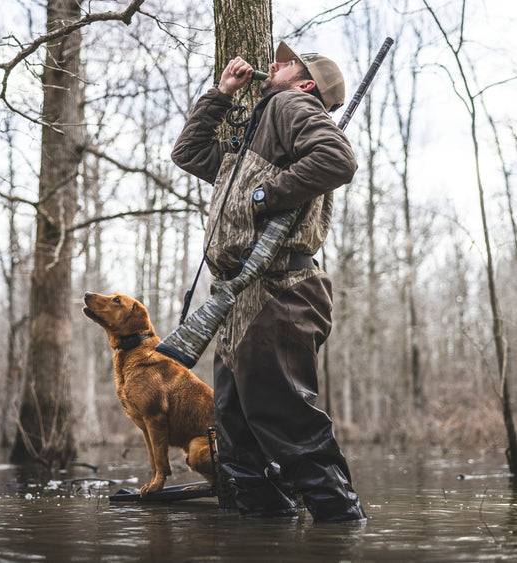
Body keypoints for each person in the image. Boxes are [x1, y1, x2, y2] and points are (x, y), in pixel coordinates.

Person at [170, 41, 366, 522]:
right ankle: (263, 535)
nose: (272, 64)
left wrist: (263, 195)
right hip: (242, 297)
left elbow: (338, 160)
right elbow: (189, 152)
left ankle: (344, 531)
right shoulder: (259, 134)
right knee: (235, 436)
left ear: (305, 84)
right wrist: (220, 94)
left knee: (284, 420)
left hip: (279, 291)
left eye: (287, 63)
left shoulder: (289, 103)